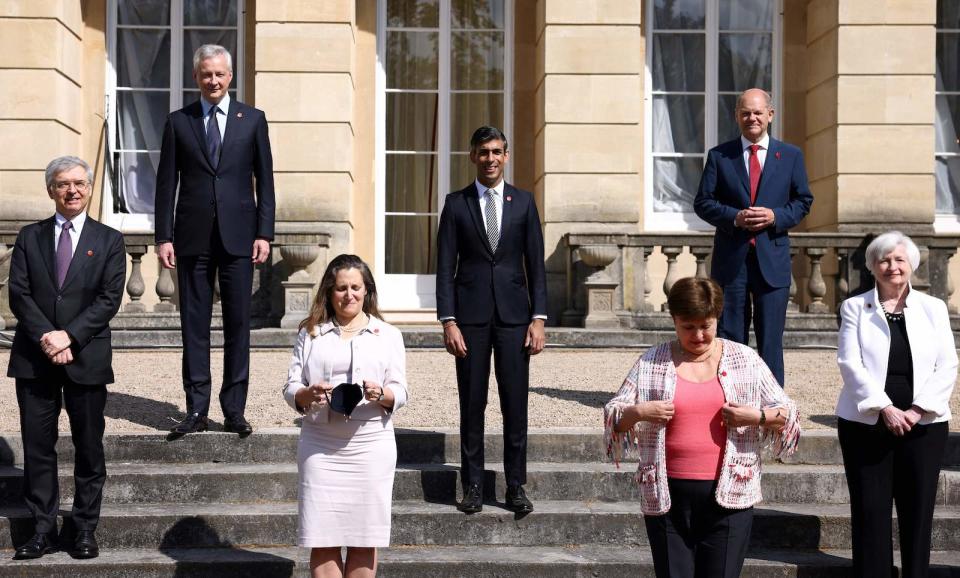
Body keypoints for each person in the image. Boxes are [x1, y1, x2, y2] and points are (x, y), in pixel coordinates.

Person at [604, 277, 800, 578]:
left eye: (705, 326)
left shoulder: (745, 359)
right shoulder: (652, 361)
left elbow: (787, 415)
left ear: (717, 318)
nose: (698, 335)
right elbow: (614, 419)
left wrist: (755, 416)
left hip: (732, 494)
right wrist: (639, 411)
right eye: (688, 327)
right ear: (674, 320)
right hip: (665, 495)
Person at [7, 156, 126, 560]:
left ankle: (84, 529)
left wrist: (69, 336)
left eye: (79, 183)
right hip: (35, 358)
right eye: (62, 184)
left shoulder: (109, 240)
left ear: (90, 188)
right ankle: (42, 529)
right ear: (50, 190)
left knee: (89, 447)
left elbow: (109, 298)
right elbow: (19, 294)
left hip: (86, 357)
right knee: (38, 448)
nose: (72, 190)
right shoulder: (29, 237)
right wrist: (47, 336)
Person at [155, 44, 275, 436]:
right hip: (191, 239)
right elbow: (165, 184)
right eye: (206, 74)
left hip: (240, 237)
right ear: (196, 77)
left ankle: (234, 410)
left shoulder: (253, 120)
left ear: (231, 76)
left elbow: (266, 181)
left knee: (239, 324)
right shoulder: (178, 122)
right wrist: (163, 237)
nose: (213, 80)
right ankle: (196, 409)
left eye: (220, 74)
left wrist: (264, 232)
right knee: (194, 325)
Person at [436, 126, 547, 514]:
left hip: (516, 320)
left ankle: (516, 486)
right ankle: (473, 486)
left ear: (507, 155)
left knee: (515, 406)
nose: (491, 159)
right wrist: (448, 321)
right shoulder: (455, 204)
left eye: (497, 151)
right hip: (470, 321)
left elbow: (536, 265)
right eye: (483, 152)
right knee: (472, 405)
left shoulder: (525, 202)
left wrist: (539, 318)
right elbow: (445, 267)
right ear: (472, 156)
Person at [836, 231, 957, 578]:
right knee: (870, 511)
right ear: (873, 267)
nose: (892, 266)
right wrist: (884, 408)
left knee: (918, 510)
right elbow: (849, 363)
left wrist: (919, 410)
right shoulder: (854, 307)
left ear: (911, 265)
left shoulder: (933, 308)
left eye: (899, 260)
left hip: (925, 426)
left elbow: (947, 364)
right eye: (884, 260)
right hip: (866, 424)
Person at [283, 254, 409, 578]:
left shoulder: (389, 335)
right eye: (341, 288)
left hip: (370, 446)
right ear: (329, 291)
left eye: (355, 287)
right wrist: (307, 395)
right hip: (320, 446)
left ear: (367, 290)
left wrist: (382, 395)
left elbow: (401, 390)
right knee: (321, 540)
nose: (348, 294)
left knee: (364, 541)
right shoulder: (310, 333)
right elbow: (291, 386)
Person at [693, 88, 813, 386]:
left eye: (758, 112)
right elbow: (703, 202)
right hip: (731, 262)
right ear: (737, 116)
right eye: (746, 113)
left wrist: (775, 217)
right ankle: (731, 398)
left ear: (770, 115)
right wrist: (734, 216)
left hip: (772, 260)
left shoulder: (791, 156)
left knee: (770, 340)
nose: (752, 118)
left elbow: (803, 201)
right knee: (730, 337)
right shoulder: (720, 156)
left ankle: (772, 403)